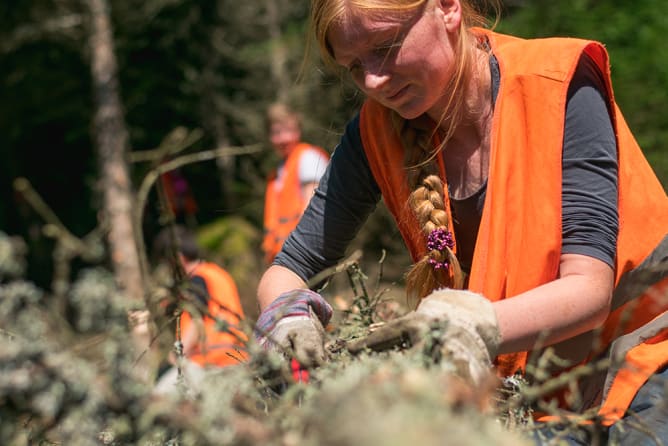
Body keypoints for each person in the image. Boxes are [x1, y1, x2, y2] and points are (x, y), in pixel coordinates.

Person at [254, 0, 668, 443]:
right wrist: (288, 314)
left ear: (448, 9)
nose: (373, 80)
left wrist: (465, 323)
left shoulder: (555, 81)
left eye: (387, 46)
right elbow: (292, 265)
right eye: (354, 66)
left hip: (646, 351)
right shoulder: (375, 133)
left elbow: (589, 290)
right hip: (542, 393)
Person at [153, 225, 248, 396]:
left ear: (178, 258)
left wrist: (176, 355)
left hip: (210, 361)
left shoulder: (196, 281)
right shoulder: (216, 273)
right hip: (236, 357)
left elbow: (197, 322)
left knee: (159, 397)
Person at [262, 102, 330, 264]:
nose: (283, 138)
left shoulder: (308, 158)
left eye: (288, 130)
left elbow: (312, 212)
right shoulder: (277, 173)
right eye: (276, 132)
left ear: (298, 130)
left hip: (303, 256)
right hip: (282, 256)